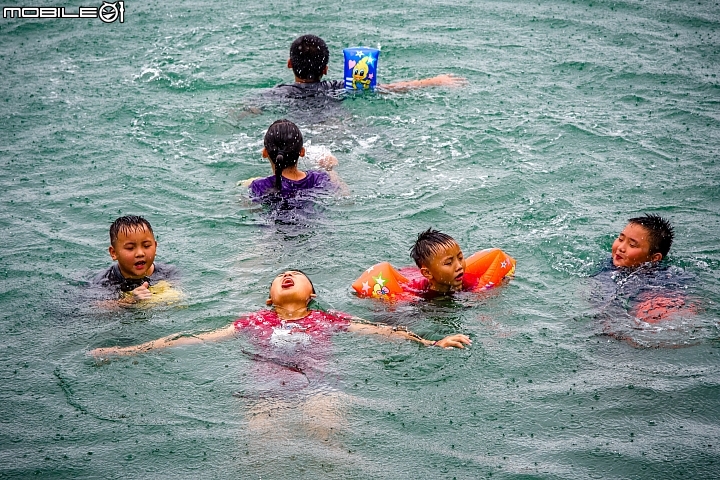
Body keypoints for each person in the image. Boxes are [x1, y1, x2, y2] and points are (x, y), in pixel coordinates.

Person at [90, 270, 470, 358]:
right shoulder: (255, 321)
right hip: (266, 387)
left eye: (296, 275)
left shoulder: (328, 319)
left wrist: (432, 342)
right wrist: (128, 350)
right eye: (280, 277)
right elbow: (193, 339)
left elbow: (381, 332)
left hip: (320, 383)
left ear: (313, 295)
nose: (287, 275)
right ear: (269, 300)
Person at [271, 34, 466, 99]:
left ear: (290, 64)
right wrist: (434, 81)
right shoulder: (338, 88)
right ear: (325, 69)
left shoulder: (278, 93)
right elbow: (390, 88)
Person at [247, 119, 347, 199]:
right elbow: (345, 196)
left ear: (265, 153)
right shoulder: (318, 179)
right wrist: (330, 170)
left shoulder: (259, 186)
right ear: (302, 152)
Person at [92, 215, 178, 304]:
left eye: (146, 246)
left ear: (155, 247)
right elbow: (95, 309)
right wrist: (131, 301)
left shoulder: (168, 273)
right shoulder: (105, 282)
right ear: (114, 253)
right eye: (130, 248)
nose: (140, 253)